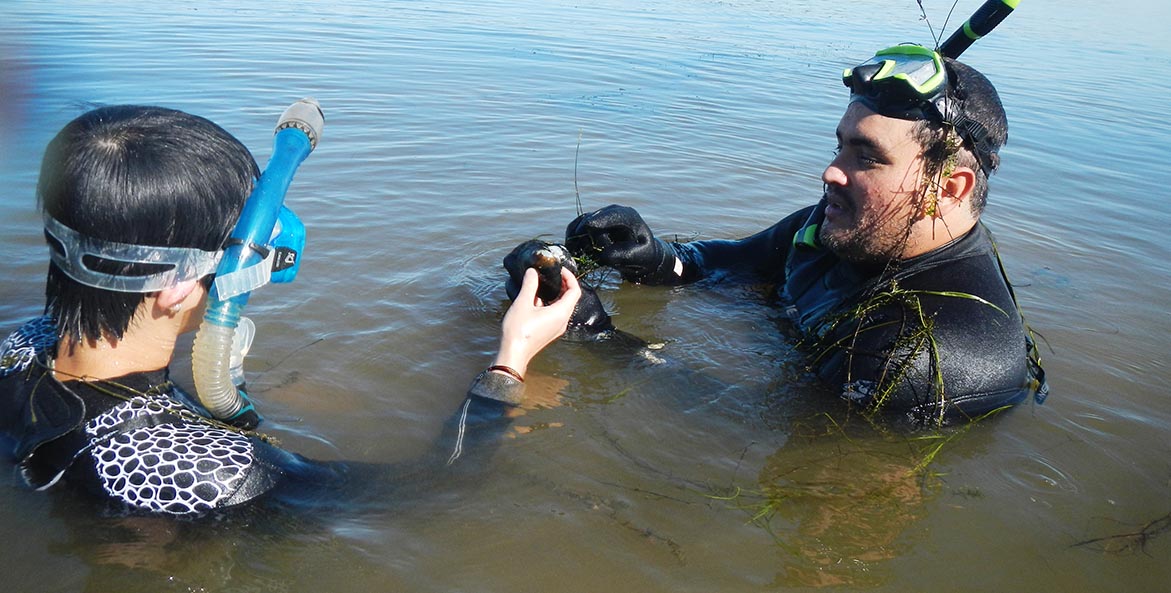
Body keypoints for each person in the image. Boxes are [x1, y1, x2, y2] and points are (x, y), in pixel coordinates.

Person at [0, 105, 581, 515]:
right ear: (175, 286)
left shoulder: (19, 351)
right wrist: (511, 360)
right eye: (244, 246)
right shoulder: (211, 473)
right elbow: (437, 488)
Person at [560, 47, 1046, 425]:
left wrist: (598, 336)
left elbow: (756, 428)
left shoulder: (921, 355)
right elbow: (729, 264)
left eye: (868, 156)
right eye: (840, 146)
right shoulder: (845, 227)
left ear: (949, 188)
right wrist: (656, 258)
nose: (831, 173)